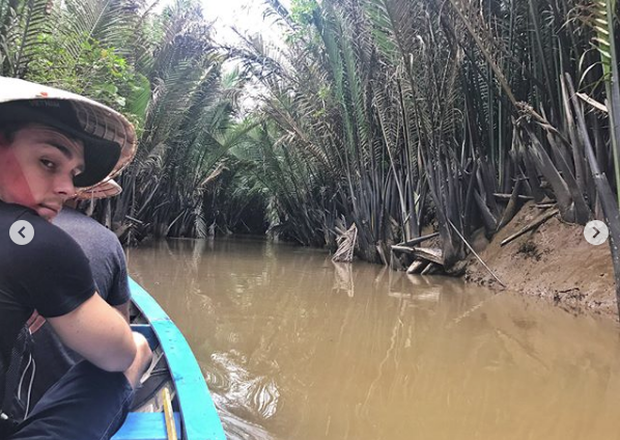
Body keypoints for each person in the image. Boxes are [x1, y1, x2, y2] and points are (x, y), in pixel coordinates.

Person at [0, 77, 152, 439]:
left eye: (73, 175)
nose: (67, 189)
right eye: (48, 162)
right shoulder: (34, 240)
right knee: (139, 347)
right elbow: (118, 354)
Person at [6, 179, 133, 420]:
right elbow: (122, 326)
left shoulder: (12, 230)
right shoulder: (107, 240)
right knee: (138, 346)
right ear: (81, 196)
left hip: (14, 405)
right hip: (64, 410)